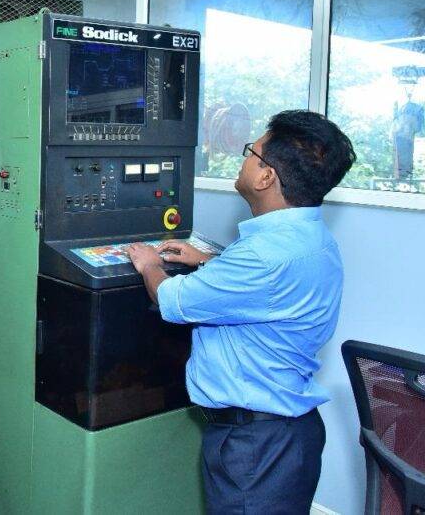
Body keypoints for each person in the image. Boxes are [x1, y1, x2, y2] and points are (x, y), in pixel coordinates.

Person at [126, 110, 356, 514]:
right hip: (290, 435)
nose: (244, 158)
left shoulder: (261, 256)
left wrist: (149, 265)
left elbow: (172, 300)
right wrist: (209, 260)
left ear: (266, 177)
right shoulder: (312, 239)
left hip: (256, 449)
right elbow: (267, 289)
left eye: (253, 151)